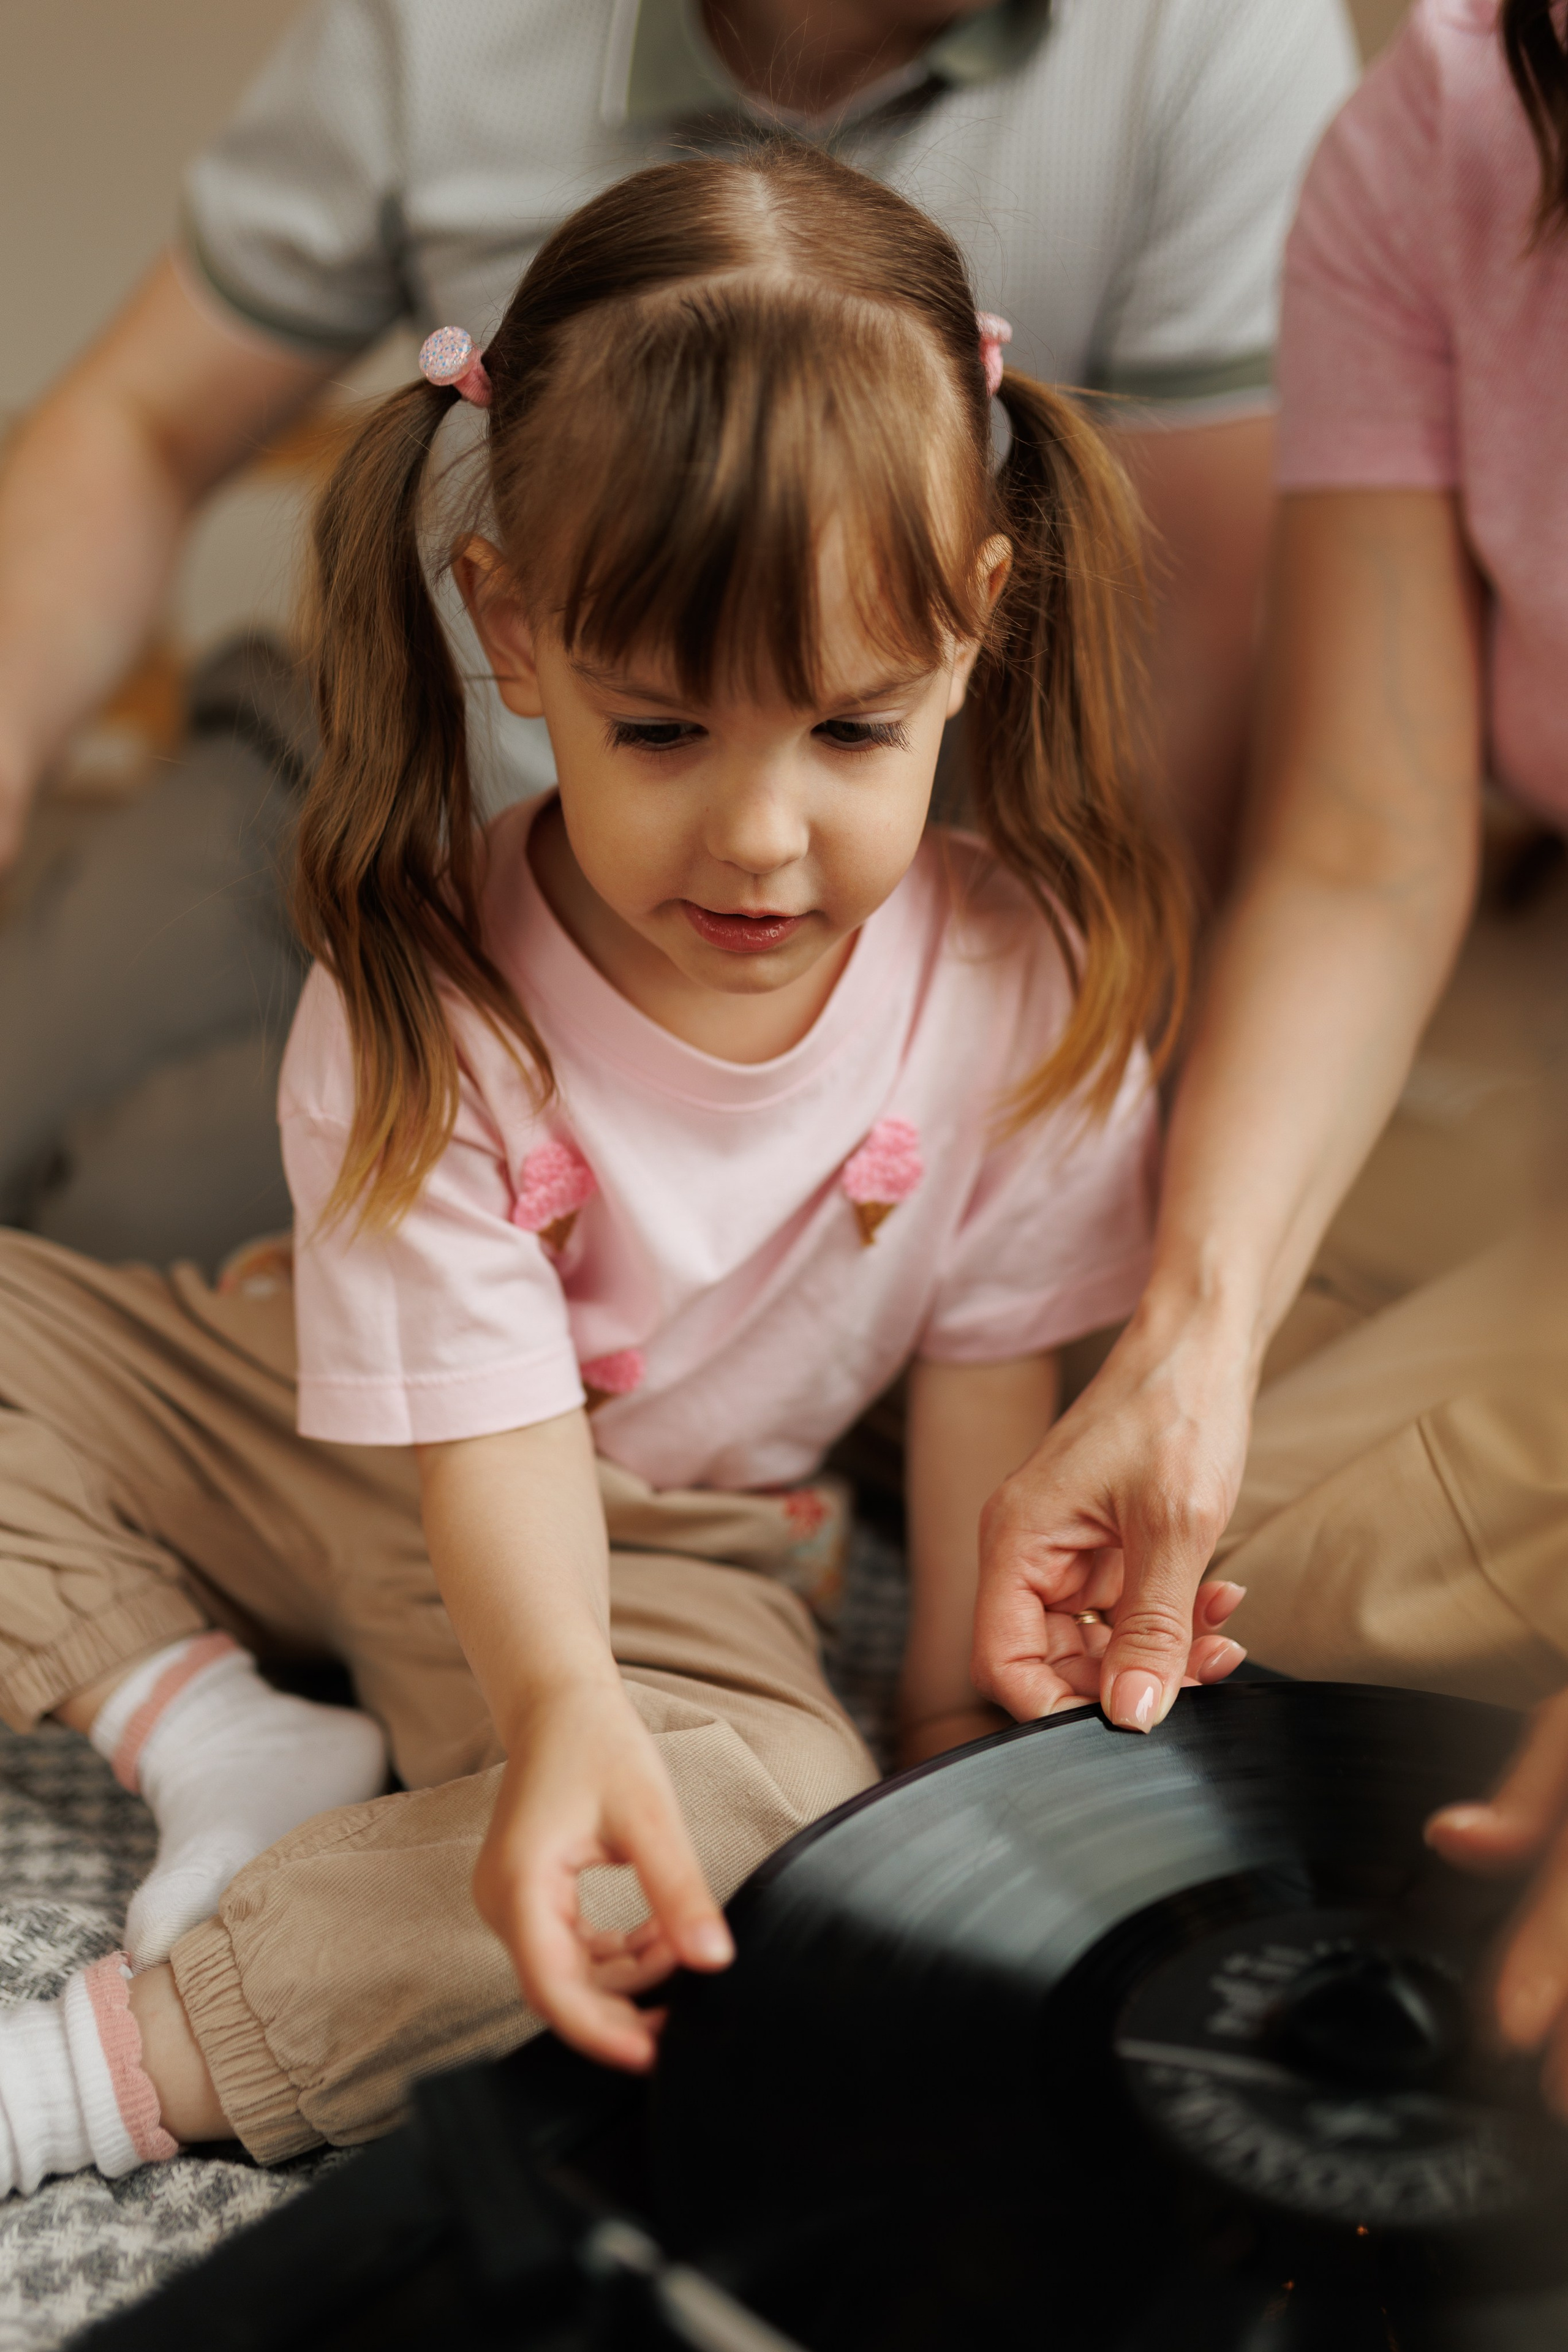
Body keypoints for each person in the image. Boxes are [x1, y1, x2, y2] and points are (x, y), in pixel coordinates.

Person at [0, 148, 1245, 2195]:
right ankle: (212, 1731)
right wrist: (537, 1691)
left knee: (766, 1829)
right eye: (661, 731)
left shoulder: (1026, 992)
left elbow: (984, 1396)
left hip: (672, 1558)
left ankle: (108, 2070)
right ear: (511, 628)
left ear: (974, 630)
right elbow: (478, 1444)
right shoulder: (425, 993)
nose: (758, 841)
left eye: (850, 733)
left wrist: (938, 1761)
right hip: (305, 1412)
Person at [0, 0, 1356, 1265]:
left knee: (122, 1214)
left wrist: (908, 1099)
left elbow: (1163, 694)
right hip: (361, 765)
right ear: (504, 620)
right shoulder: (444, 35)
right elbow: (140, 422)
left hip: (746, 942)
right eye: (656, 715)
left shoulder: (1216, 41)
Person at [973, 0, 1568, 2111]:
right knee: (1077, 1405)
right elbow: (1368, 833)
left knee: (1299, 1556)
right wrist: (1187, 1349)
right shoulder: (1431, 131)